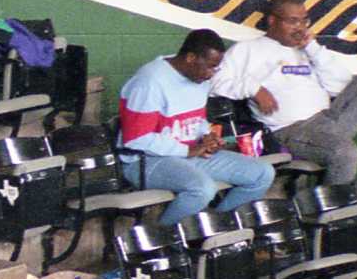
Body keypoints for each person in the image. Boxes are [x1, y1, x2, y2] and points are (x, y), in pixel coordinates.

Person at [210, 0, 357, 184]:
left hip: (329, 119)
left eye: (303, 20)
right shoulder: (247, 50)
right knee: (346, 153)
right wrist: (254, 89)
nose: (299, 28)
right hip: (291, 130)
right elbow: (215, 84)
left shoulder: (306, 49)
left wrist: (312, 48)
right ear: (272, 21)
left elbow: (340, 86)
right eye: (292, 21)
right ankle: (334, 213)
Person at [117, 29, 275, 226]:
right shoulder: (149, 81)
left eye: (215, 69)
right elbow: (137, 138)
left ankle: (217, 228)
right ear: (191, 58)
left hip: (188, 155)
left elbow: (196, 120)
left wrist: (208, 135)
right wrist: (189, 150)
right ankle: (161, 239)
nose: (211, 75)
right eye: (209, 67)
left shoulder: (198, 78)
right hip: (144, 160)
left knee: (262, 173)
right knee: (202, 189)